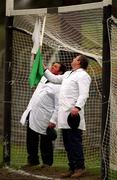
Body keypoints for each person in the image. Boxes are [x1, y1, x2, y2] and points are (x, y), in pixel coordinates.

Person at [44, 55, 91, 178]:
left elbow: (84, 94)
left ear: (79, 62)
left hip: (73, 115)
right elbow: (54, 79)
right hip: (63, 116)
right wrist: (44, 70)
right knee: (67, 143)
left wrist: (78, 107)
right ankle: (72, 167)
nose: (73, 59)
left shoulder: (83, 75)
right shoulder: (68, 74)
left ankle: (80, 168)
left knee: (75, 142)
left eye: (75, 58)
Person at [20, 62, 66, 168]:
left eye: (55, 67)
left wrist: (53, 120)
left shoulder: (59, 86)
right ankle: (32, 160)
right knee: (31, 138)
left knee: (46, 140)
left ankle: (47, 163)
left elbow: (59, 105)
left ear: (60, 72)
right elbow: (36, 70)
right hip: (33, 112)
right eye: (52, 65)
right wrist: (38, 59)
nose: (52, 67)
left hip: (46, 117)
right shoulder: (44, 79)